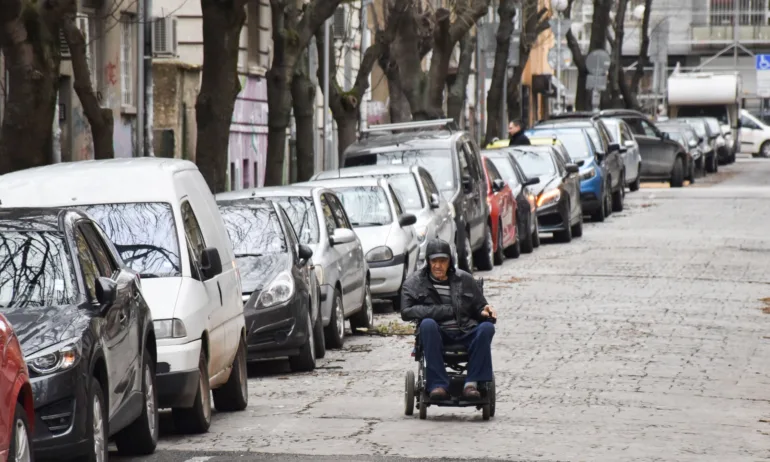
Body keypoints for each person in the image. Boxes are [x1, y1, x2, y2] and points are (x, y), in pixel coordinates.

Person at [401, 239, 497, 400]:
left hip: (465, 330)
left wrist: (485, 311)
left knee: (486, 328)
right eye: (434, 261)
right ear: (428, 262)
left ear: (450, 261)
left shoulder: (465, 280)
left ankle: (471, 384)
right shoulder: (415, 283)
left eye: (443, 261)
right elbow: (406, 311)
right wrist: (445, 311)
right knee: (427, 324)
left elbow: (479, 306)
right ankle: (438, 385)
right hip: (438, 334)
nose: (438, 266)